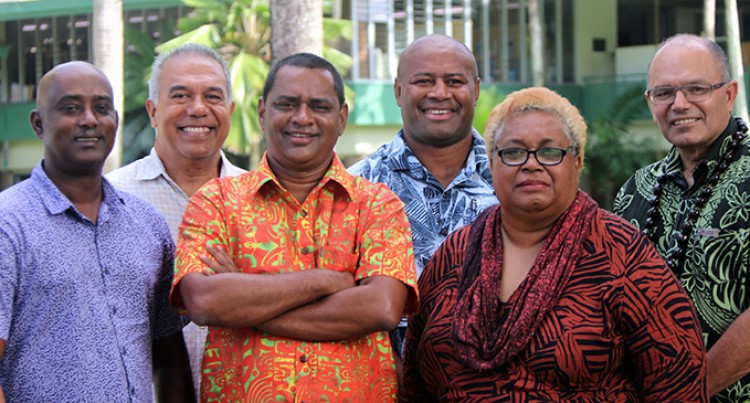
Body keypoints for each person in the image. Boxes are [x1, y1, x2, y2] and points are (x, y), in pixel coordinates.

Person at [400, 87, 707, 401]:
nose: (531, 164)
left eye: (550, 152)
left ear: (576, 161)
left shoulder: (622, 254)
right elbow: (413, 377)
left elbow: (679, 383)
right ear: (492, 164)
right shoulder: (456, 254)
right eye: (514, 152)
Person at [170, 52, 419, 401]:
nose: (302, 118)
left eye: (319, 106)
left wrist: (245, 303)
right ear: (261, 112)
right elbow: (205, 302)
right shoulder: (216, 201)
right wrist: (327, 281)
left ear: (342, 117)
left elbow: (381, 308)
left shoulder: (377, 204)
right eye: (287, 104)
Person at [0, 61, 194, 402]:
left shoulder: (147, 225)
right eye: (71, 108)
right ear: (38, 123)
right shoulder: (9, 223)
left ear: (115, 123)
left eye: (101, 108)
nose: (89, 119)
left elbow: (168, 348)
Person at [614, 33, 750, 401]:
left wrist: (688, 393)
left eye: (696, 88)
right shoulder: (635, 190)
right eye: (664, 93)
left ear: (728, 94)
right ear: (649, 102)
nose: (680, 104)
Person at [107, 43, 245, 394]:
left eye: (212, 96)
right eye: (181, 96)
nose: (198, 109)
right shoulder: (111, 200)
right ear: (153, 111)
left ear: (229, 110)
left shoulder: (263, 201)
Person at [348, 33, 497, 356]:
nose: (439, 93)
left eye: (454, 81)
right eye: (424, 81)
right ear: (399, 92)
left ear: (476, 90)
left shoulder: (512, 181)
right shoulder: (356, 187)